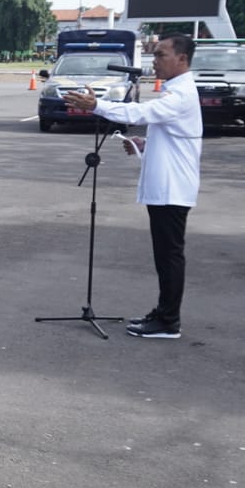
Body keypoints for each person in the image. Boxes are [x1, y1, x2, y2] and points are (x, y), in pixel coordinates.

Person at [62, 32, 201, 338]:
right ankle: (164, 313)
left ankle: (168, 321)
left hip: (172, 188)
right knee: (164, 255)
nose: (156, 60)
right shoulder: (175, 92)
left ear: (182, 59)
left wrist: (97, 105)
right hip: (167, 186)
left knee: (169, 255)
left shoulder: (180, 94)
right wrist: (144, 143)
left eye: (162, 54)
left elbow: (140, 112)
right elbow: (173, 136)